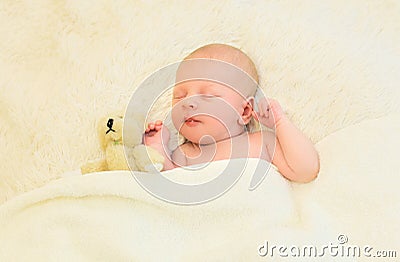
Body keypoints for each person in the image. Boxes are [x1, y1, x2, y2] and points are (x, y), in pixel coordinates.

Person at [143, 43, 319, 183]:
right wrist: (159, 149)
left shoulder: (262, 142)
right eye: (179, 96)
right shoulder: (184, 153)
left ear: (244, 111)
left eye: (208, 95)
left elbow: (306, 170)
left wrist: (280, 123)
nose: (188, 103)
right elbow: (171, 187)